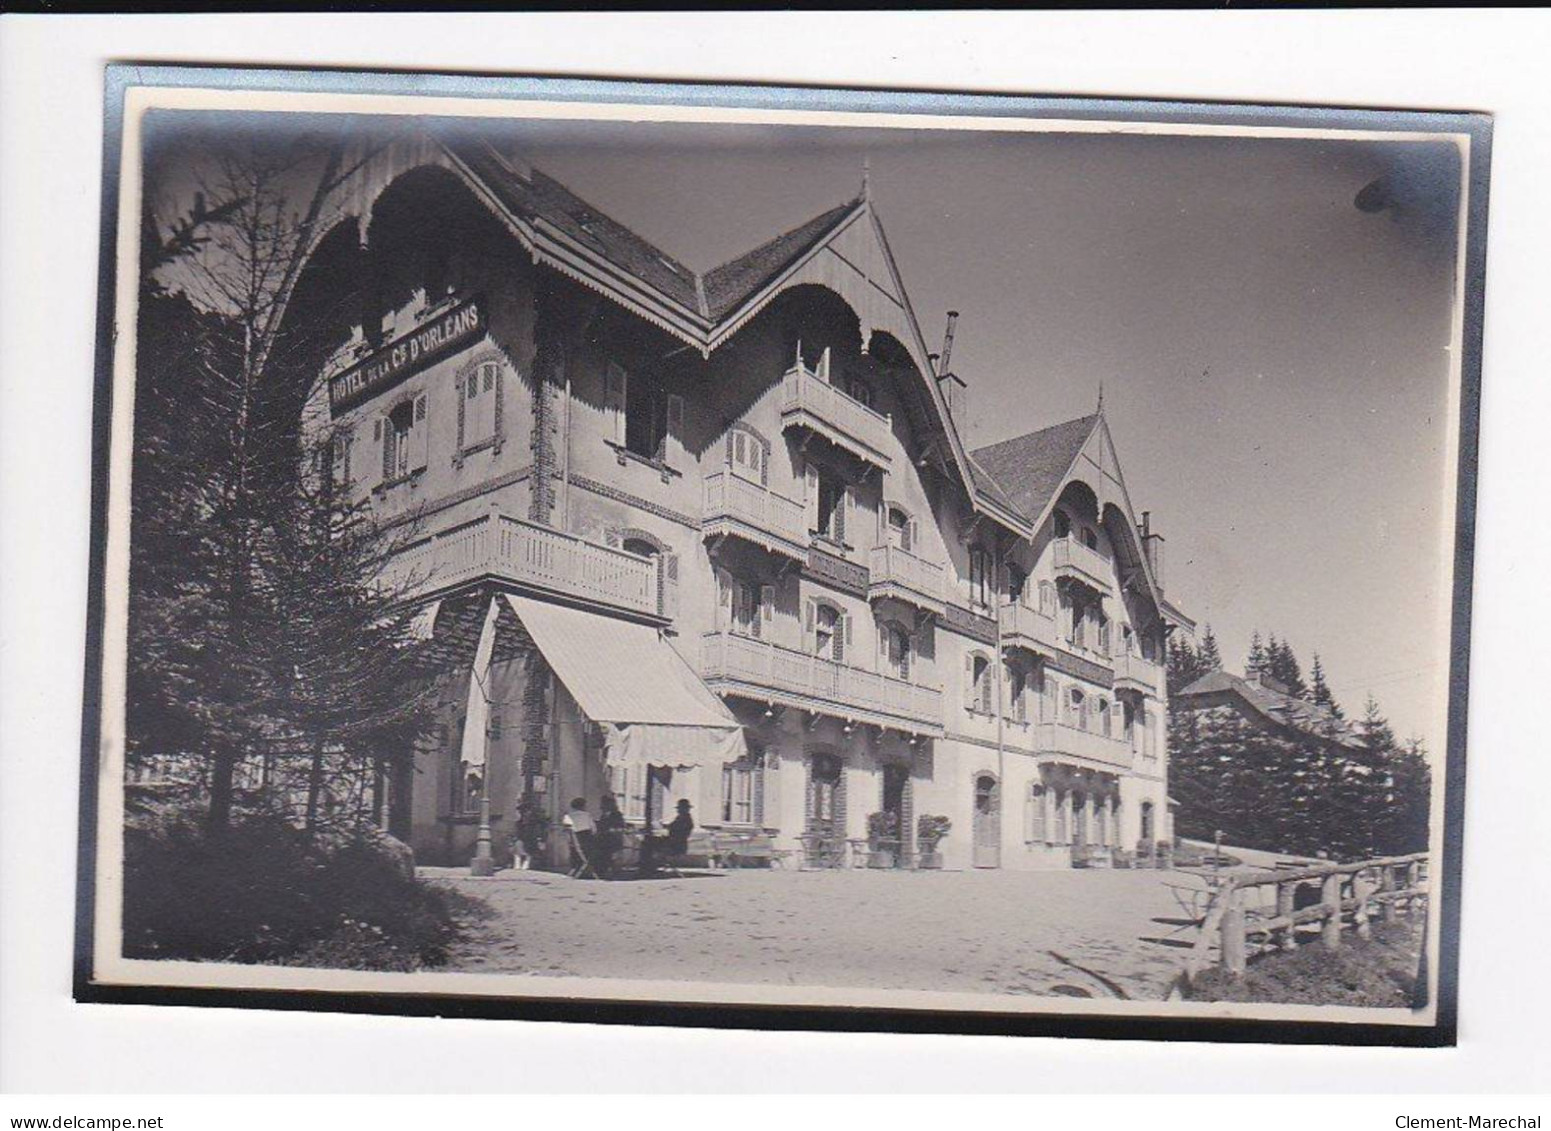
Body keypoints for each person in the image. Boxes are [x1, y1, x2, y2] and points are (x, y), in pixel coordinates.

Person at [594, 793, 627, 879]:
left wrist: (612, 829)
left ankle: (613, 871)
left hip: (613, 839)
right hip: (604, 839)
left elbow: (621, 827)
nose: (601, 806)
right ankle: (601, 870)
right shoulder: (603, 815)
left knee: (608, 850)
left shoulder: (617, 815)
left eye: (603, 804)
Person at [511, 795, 546, 871]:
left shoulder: (532, 819)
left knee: (525, 847)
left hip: (529, 834)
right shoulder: (524, 819)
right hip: (525, 834)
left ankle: (522, 863)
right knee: (520, 845)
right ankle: (521, 863)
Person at [562, 797, 596, 874]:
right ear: (583, 806)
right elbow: (593, 829)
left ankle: (575, 867)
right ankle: (594, 869)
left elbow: (566, 829)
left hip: (574, 842)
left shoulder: (568, 816)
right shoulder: (587, 815)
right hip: (587, 841)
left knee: (575, 849)